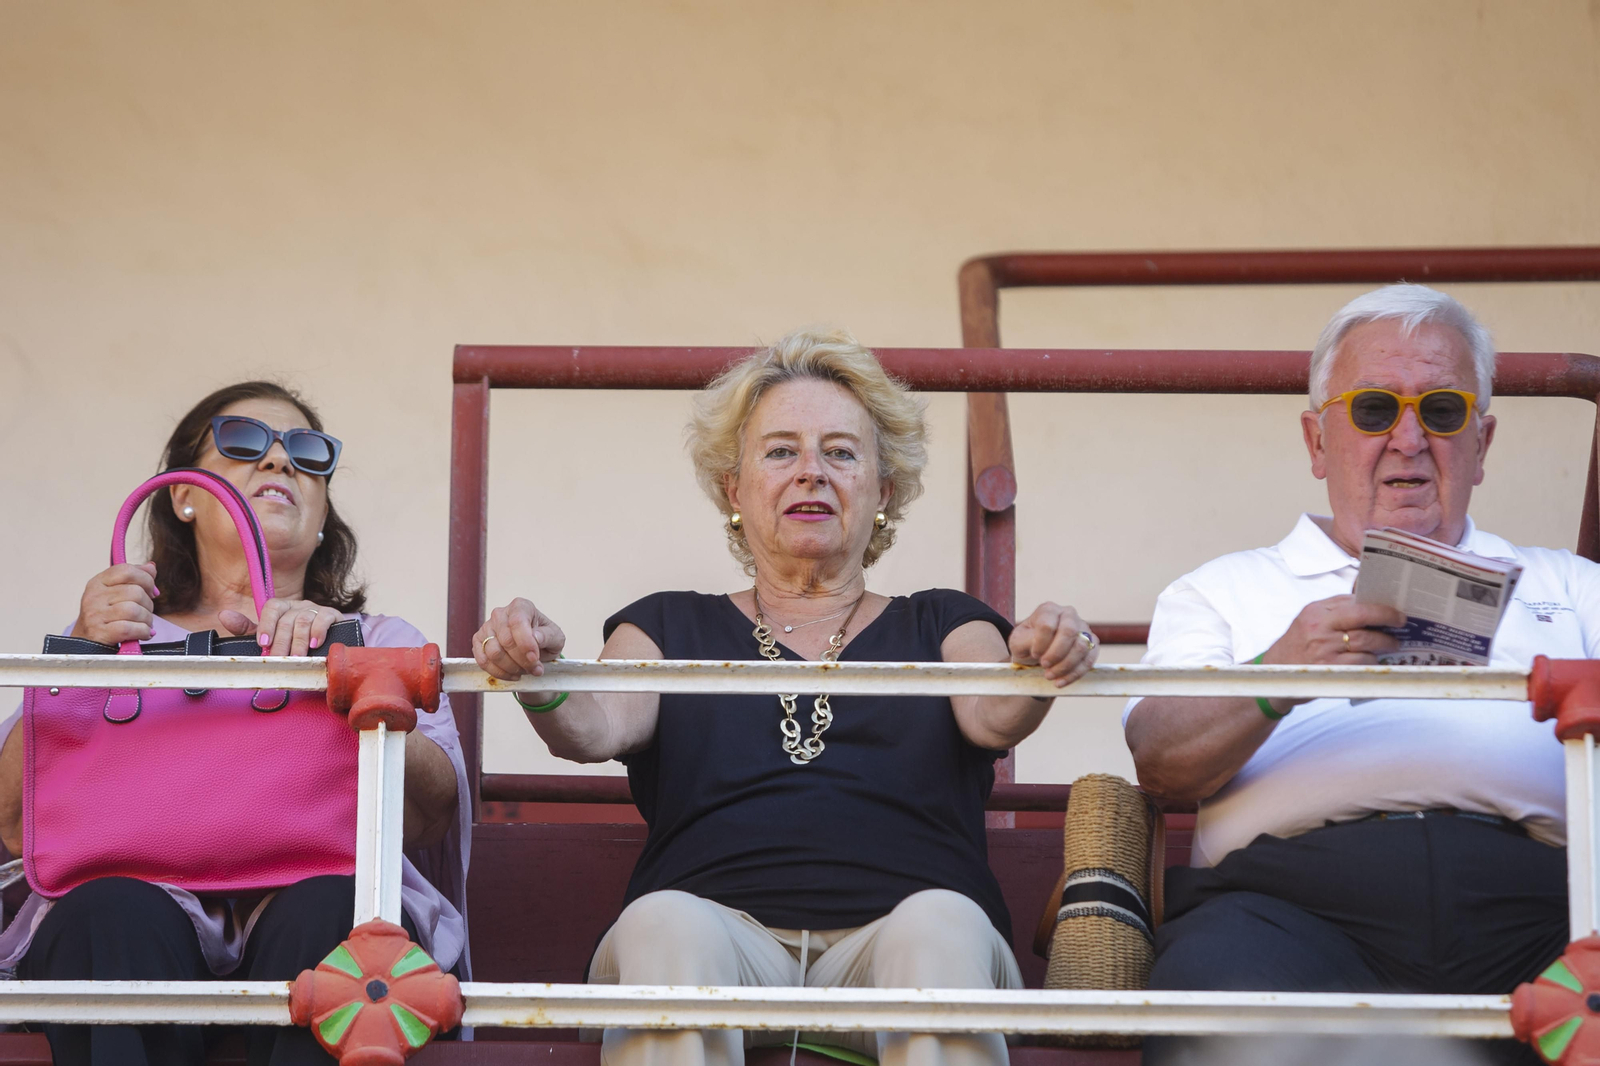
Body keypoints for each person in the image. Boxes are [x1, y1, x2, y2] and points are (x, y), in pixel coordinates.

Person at [474, 328, 1098, 1066]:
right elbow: (596, 727)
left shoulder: (943, 619)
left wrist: (1039, 662)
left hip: (900, 950)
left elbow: (995, 713)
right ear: (735, 490)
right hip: (717, 948)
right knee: (665, 922)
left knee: (940, 924)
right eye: (780, 451)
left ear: (883, 490)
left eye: (840, 452)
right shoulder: (669, 621)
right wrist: (538, 676)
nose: (811, 473)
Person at [1124, 285, 1592, 1065]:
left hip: (1547, 907)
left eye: (1441, 411)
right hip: (1291, 912)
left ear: (1482, 441)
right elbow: (1161, 766)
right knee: (1220, 1000)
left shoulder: (1573, 586)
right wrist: (1281, 670)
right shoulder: (1226, 588)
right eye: (1374, 409)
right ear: (1316, 441)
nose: (1409, 438)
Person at [0, 381, 471, 1066]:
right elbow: (12, 820)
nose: (281, 462)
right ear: (183, 495)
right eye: (245, 441)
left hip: (316, 899)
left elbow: (430, 815)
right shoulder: (110, 636)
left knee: (337, 914)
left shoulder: (372, 637)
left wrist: (347, 668)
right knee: (104, 913)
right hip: (132, 911)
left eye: (307, 454)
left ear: (321, 515)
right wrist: (82, 652)